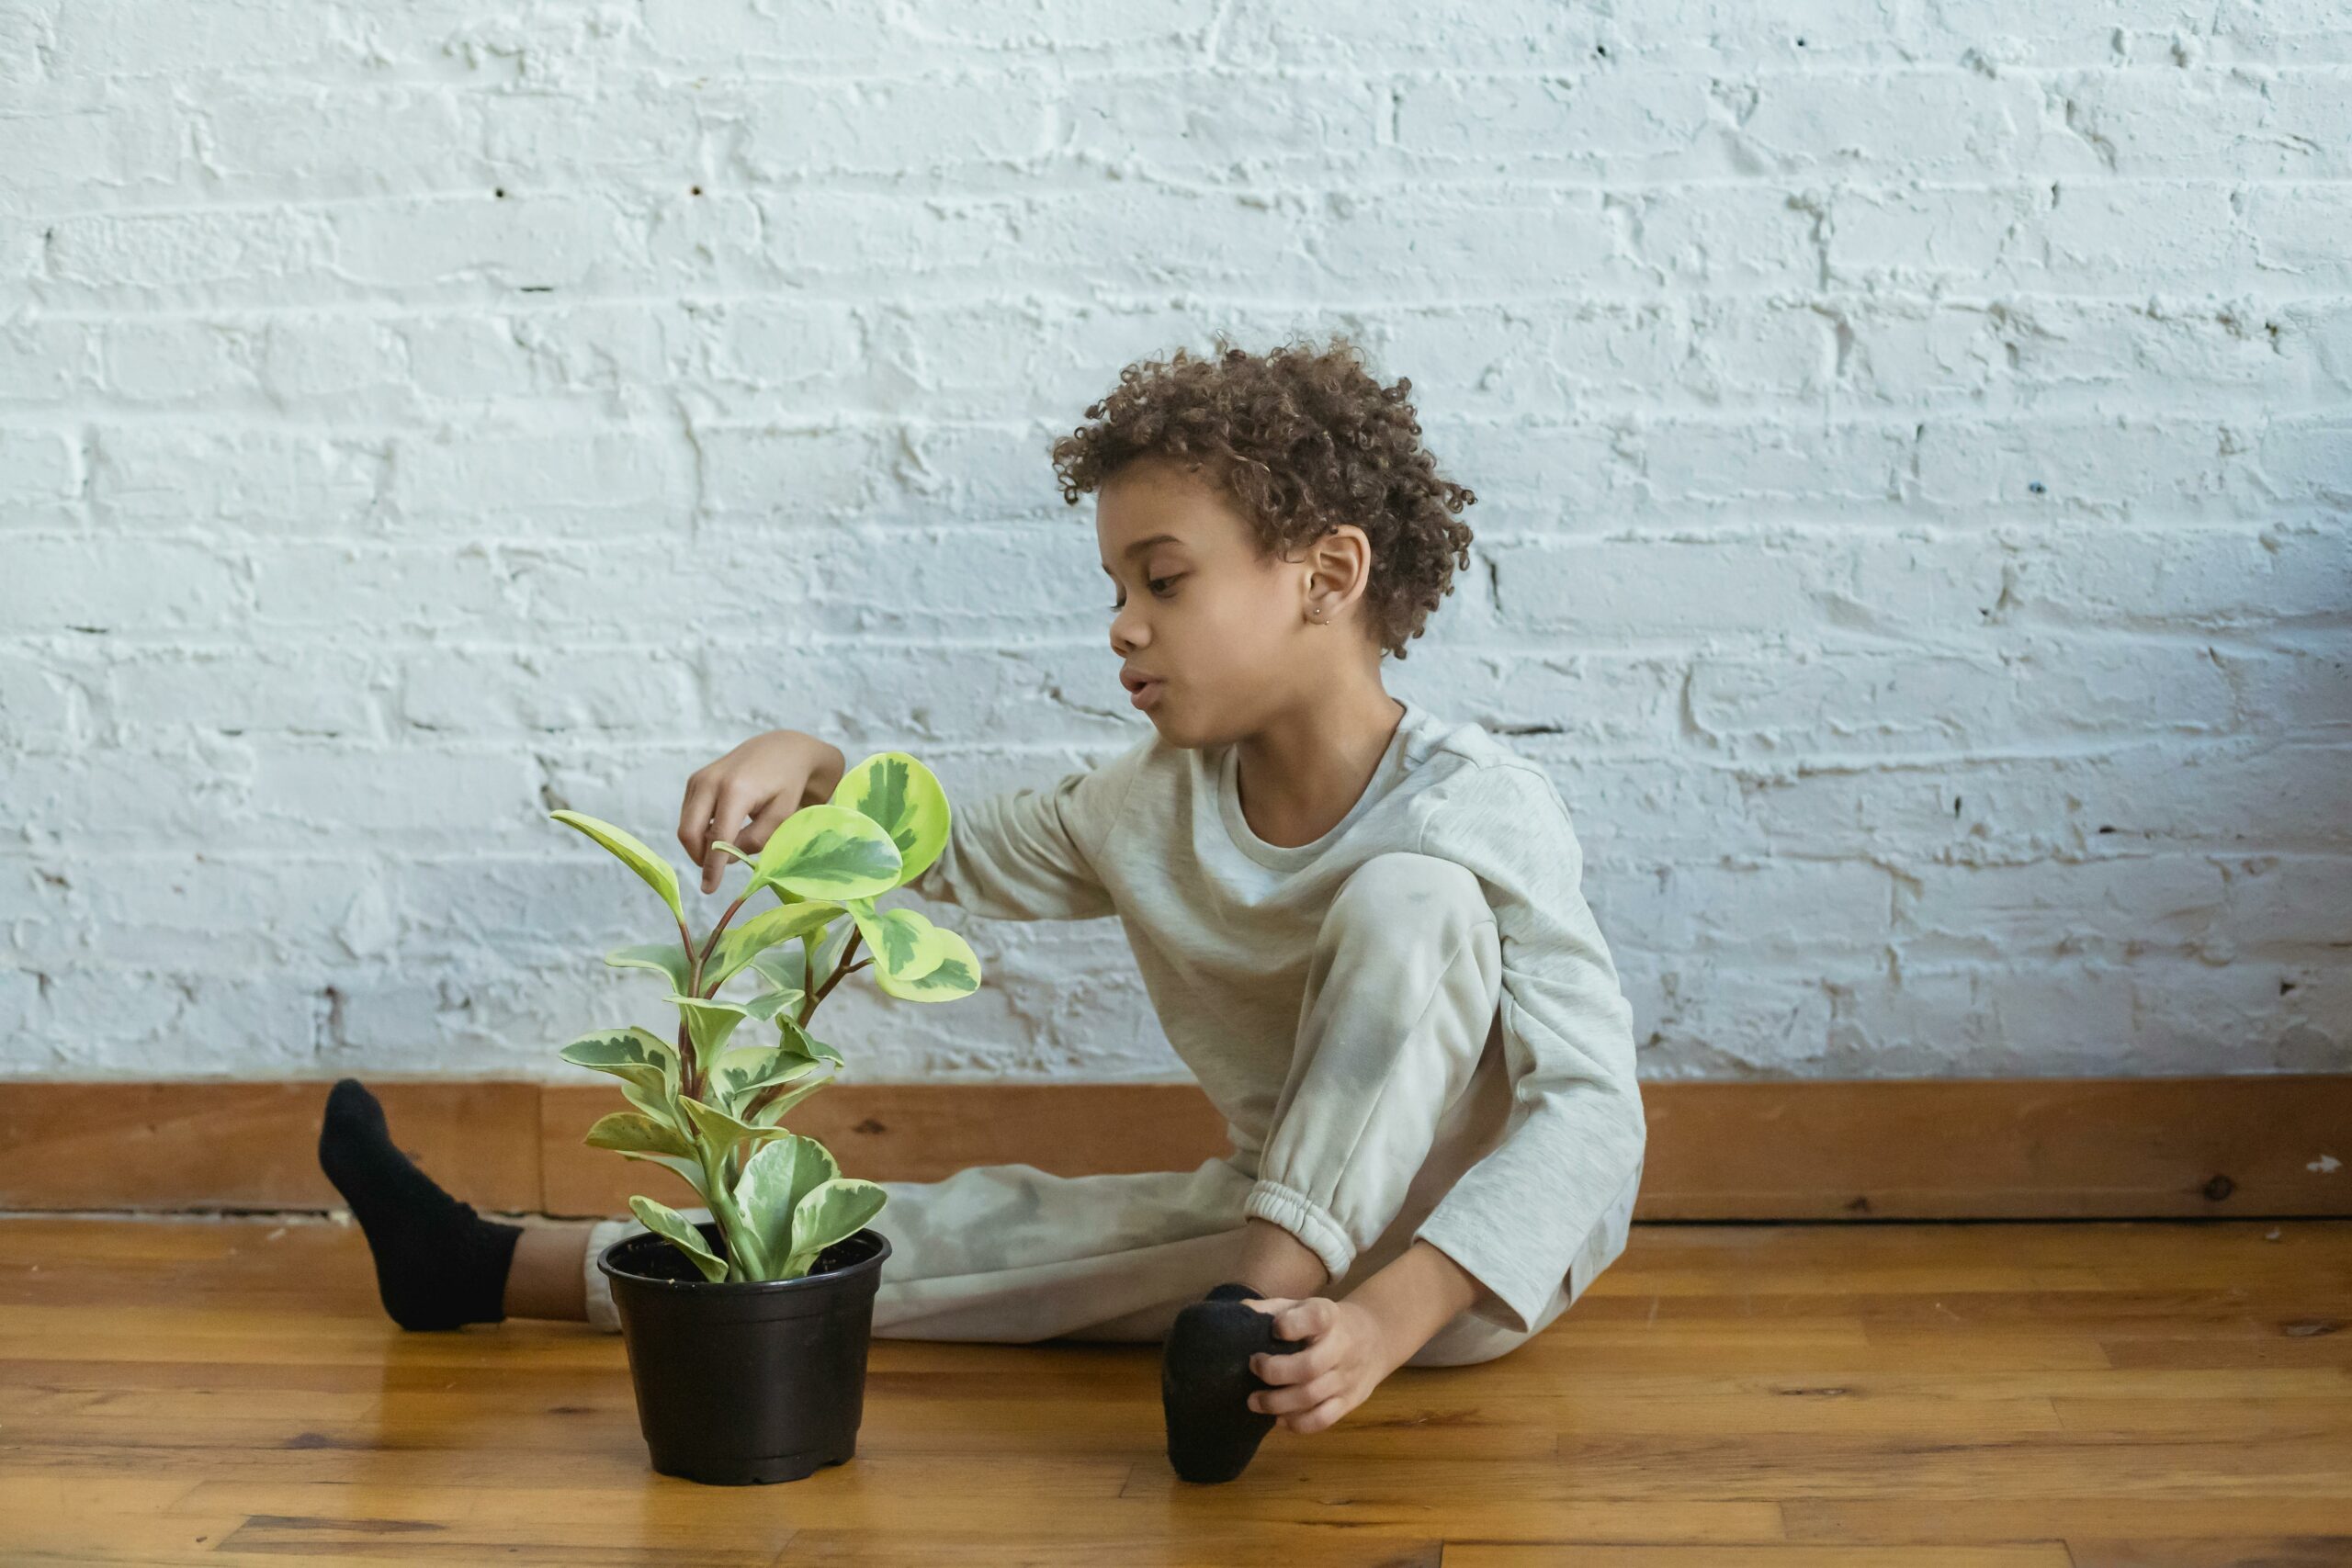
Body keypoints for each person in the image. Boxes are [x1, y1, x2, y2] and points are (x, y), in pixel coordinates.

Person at [319, 332, 1645, 1483]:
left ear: (1328, 573)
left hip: (1457, 1276)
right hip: (1264, 1239)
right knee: (963, 1235)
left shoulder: (1475, 807)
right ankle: (481, 1267)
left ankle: (1257, 1309)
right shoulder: (1150, 803)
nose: (1123, 626)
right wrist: (817, 764)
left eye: (1164, 581)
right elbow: (950, 846)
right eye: (1114, 590)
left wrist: (1393, 1319)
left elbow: (1591, 1119)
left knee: (1413, 904)